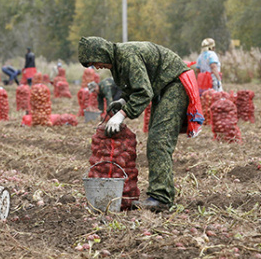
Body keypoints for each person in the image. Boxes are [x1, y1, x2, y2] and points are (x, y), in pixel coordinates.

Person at [78, 36, 203, 211]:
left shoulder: (127, 56)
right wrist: (123, 101)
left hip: (174, 83)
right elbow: (136, 86)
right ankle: (160, 194)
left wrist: (122, 114)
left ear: (102, 52)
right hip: (163, 86)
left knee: (159, 140)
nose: (96, 67)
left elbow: (144, 92)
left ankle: (161, 198)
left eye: (95, 61)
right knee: (156, 138)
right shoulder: (118, 61)